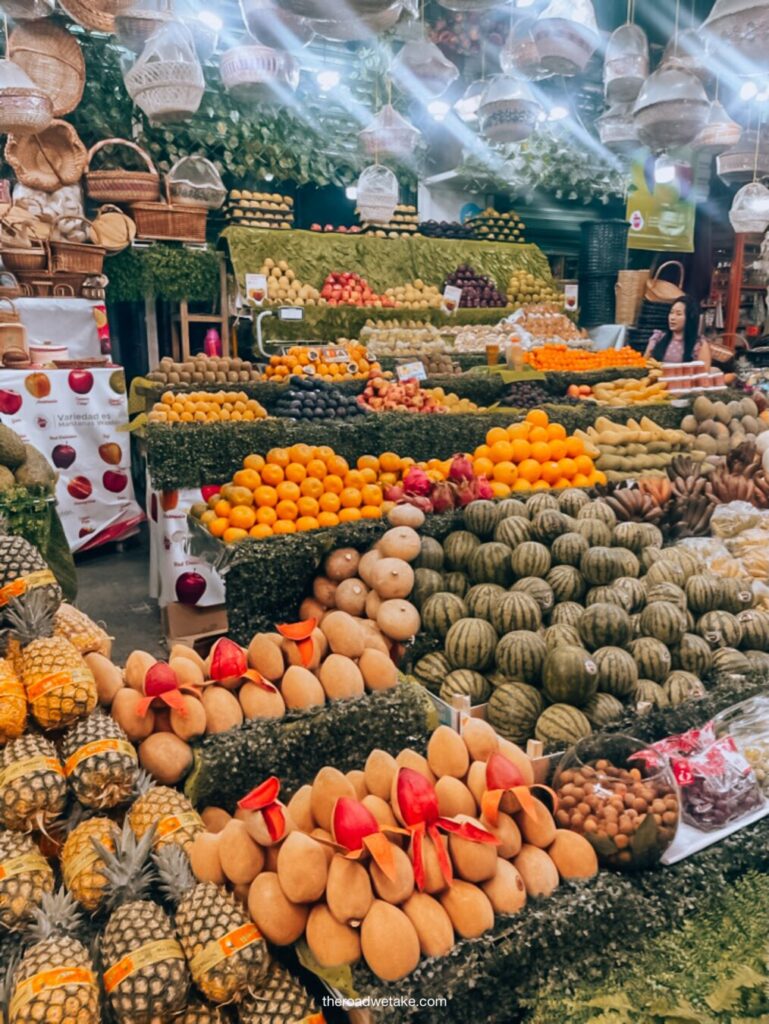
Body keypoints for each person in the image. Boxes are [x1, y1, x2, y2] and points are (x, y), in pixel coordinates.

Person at [644, 294, 711, 370]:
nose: (672, 317)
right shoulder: (658, 338)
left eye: (678, 314)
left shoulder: (699, 345)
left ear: (690, 317)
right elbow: (644, 365)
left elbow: (703, 375)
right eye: (671, 312)